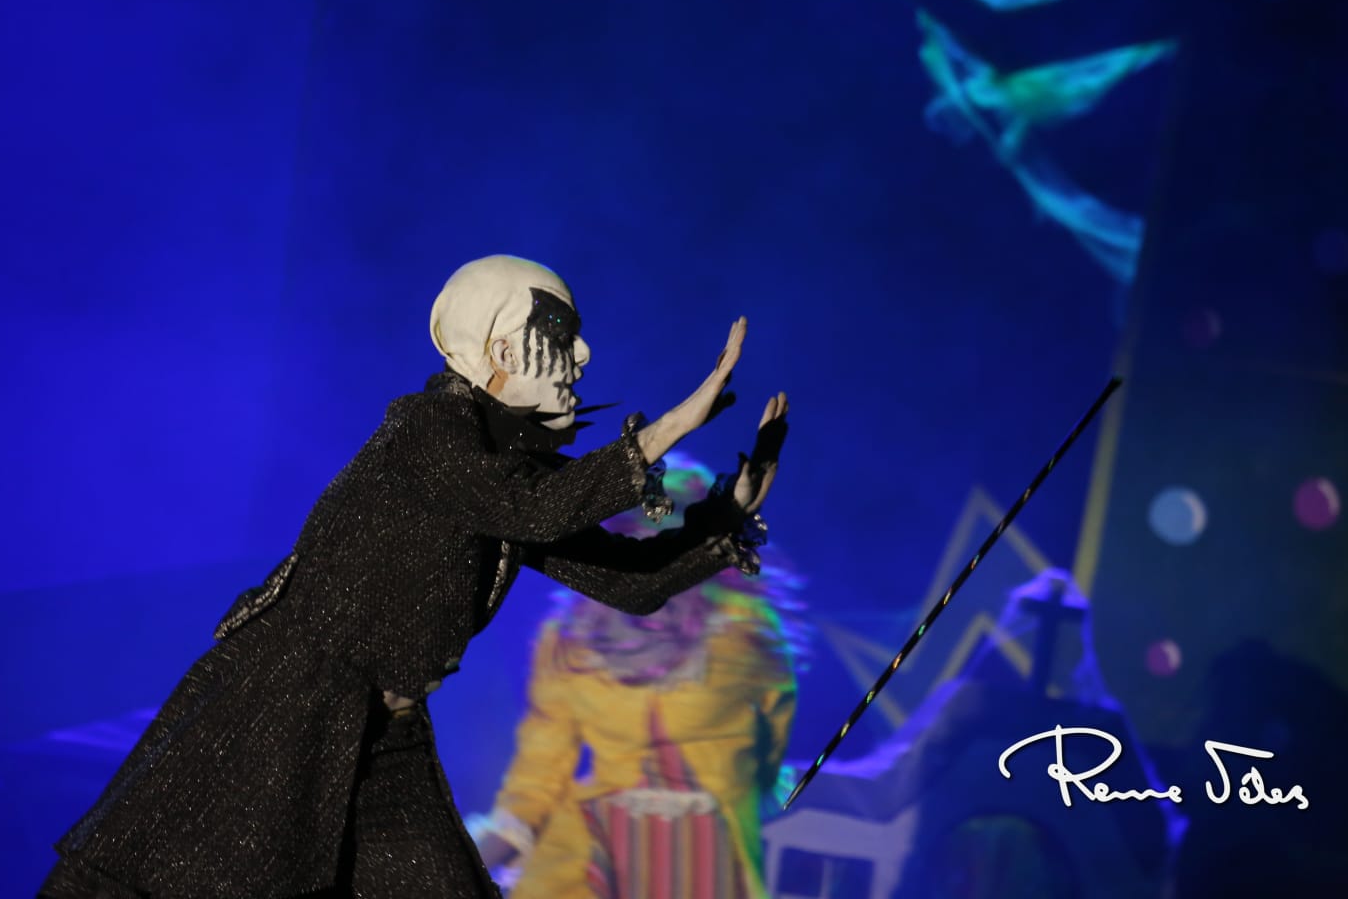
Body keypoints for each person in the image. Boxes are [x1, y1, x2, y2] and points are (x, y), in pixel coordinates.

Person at [40, 255, 789, 899]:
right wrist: (668, 429)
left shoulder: (502, 472)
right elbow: (533, 510)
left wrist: (725, 516)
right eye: (560, 332)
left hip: (383, 739)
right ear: (499, 348)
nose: (583, 354)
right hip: (283, 715)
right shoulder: (426, 432)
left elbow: (629, 581)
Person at [467, 454, 807, 899]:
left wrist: (750, 790)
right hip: (595, 847)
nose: (650, 547)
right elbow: (539, 772)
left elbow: (770, 742)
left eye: (668, 536)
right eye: (635, 536)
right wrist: (476, 854)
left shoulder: (743, 633)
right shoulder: (570, 640)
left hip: (708, 850)